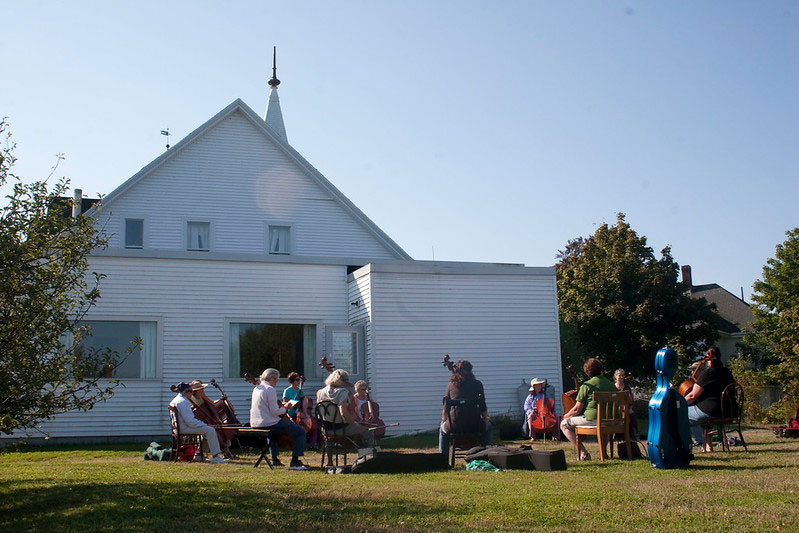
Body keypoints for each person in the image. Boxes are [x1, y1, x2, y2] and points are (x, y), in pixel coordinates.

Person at [250, 368, 308, 470]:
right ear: (272, 378)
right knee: (300, 431)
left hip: (256, 423)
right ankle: (295, 460)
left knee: (272, 434)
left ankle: (275, 459)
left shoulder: (257, 388)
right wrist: (286, 408)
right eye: (276, 379)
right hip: (269, 422)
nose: (276, 382)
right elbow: (275, 412)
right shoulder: (270, 389)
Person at [559, 358, 616, 461]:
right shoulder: (611, 385)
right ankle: (604, 453)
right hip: (612, 421)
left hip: (594, 419)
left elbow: (577, 410)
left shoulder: (587, 385)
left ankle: (583, 453)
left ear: (587, 371)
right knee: (603, 422)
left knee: (563, 424)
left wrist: (566, 416)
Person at [684, 346, 736, 451]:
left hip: (712, 411)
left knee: (678, 414)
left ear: (709, 359)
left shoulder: (708, 373)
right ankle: (708, 446)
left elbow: (693, 396)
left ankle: (684, 447)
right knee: (701, 411)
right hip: (729, 410)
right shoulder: (727, 372)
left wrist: (679, 403)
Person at [439, 359, 493, 454]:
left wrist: (443, 419)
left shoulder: (450, 385)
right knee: (489, 426)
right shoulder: (477, 384)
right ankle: (487, 453)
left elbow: (445, 408)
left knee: (442, 430)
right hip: (475, 426)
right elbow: (482, 405)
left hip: (454, 427)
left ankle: (442, 458)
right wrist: (486, 417)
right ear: (470, 371)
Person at [169, 382, 228, 463]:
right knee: (210, 430)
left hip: (180, 428)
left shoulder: (176, 400)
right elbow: (190, 421)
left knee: (208, 429)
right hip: (184, 428)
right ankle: (215, 457)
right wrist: (204, 425)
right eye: (190, 391)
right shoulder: (183, 402)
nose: (192, 393)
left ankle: (199, 455)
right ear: (186, 392)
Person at [316, 369, 375, 447]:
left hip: (325, 429)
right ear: (342, 382)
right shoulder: (342, 392)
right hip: (340, 429)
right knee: (368, 430)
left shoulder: (320, 392)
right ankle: (368, 455)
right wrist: (356, 426)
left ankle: (330, 456)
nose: (346, 386)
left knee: (359, 426)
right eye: (345, 383)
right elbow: (343, 413)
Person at [188, 379, 235, 457]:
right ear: (197, 390)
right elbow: (212, 404)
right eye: (201, 389)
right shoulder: (193, 399)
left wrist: (221, 400)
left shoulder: (201, 397)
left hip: (204, 421)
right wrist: (221, 401)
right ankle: (224, 451)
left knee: (218, 429)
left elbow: (212, 403)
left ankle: (225, 451)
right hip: (198, 422)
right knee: (214, 430)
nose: (203, 390)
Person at [613, 369, 639, 441]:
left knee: (631, 414)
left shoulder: (627, 387)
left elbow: (631, 400)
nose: (621, 377)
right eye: (619, 375)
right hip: (616, 408)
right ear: (615, 377)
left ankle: (633, 434)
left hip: (626, 407)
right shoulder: (613, 387)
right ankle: (618, 435)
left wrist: (629, 407)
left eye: (622, 375)